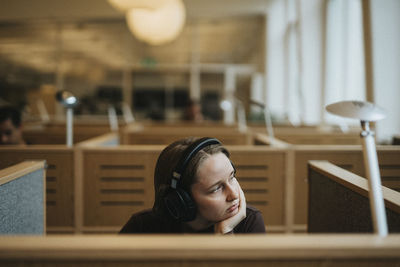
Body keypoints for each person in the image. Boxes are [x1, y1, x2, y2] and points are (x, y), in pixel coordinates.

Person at [120, 137, 266, 234]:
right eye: (216, 188)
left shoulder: (248, 223)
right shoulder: (142, 228)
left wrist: (225, 233)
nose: (234, 194)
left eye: (232, 177)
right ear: (181, 200)